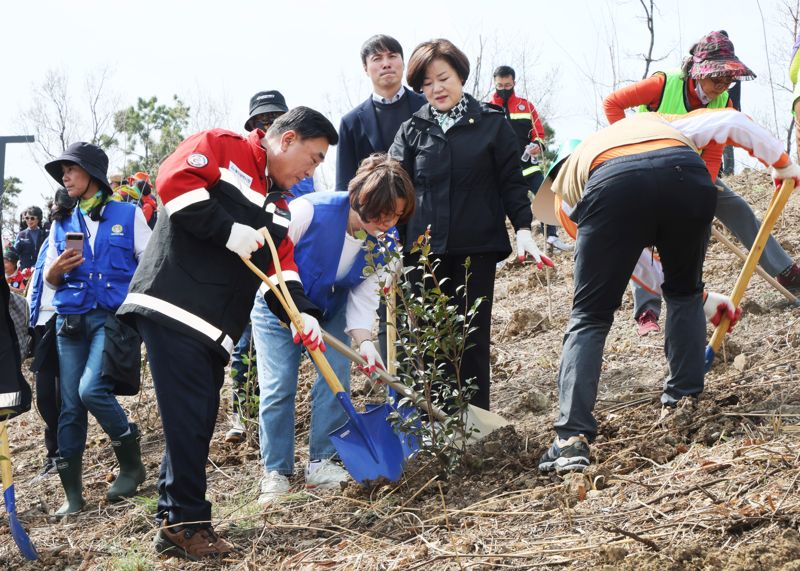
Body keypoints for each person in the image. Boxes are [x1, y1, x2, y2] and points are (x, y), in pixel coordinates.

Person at [117, 106, 338, 560]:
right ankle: (188, 523)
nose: (312, 170)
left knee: (194, 420)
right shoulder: (224, 148)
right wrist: (226, 230)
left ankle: (175, 522)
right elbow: (173, 182)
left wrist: (304, 313)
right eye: (313, 158)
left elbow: (282, 272)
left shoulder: (278, 210)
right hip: (174, 306)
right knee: (190, 420)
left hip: (213, 329)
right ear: (288, 139)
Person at [536, 108, 800, 474]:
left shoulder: (566, 193)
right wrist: (782, 163)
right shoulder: (662, 123)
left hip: (612, 188)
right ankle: (684, 404)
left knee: (589, 317)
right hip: (686, 176)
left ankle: (570, 442)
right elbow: (733, 122)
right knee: (685, 293)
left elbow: (631, 265)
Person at [603, 30, 800, 336]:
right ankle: (647, 310)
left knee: (736, 208)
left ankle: (787, 273)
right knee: (644, 234)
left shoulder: (723, 102)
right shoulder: (663, 84)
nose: (722, 87)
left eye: (728, 81)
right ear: (698, 71)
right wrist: (630, 145)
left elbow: (712, 156)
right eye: (716, 79)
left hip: (689, 172)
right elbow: (613, 103)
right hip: (644, 170)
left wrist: (700, 196)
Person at [389, 39, 551, 410]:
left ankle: (474, 422)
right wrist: (389, 247)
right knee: (426, 338)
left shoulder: (491, 124)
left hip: (474, 250)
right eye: (427, 84)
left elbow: (512, 182)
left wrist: (523, 229)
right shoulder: (412, 130)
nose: (437, 88)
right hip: (422, 253)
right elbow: (395, 191)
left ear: (460, 75)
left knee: (471, 337)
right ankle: (431, 423)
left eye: (443, 78)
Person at [255, 154, 414, 503]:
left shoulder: (385, 246)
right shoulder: (310, 210)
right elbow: (270, 260)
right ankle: (276, 471)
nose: (388, 223)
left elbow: (362, 298)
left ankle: (321, 462)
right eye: (383, 213)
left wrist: (365, 342)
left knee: (335, 380)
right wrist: (296, 311)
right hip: (279, 304)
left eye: (396, 216)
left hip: (330, 310)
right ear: (362, 197)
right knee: (279, 385)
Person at [42, 142, 152, 516]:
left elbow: (151, 266)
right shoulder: (60, 222)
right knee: (70, 407)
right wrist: (56, 270)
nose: (65, 177)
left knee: (91, 390)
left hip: (111, 320)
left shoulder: (128, 214)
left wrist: (139, 315)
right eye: (62, 173)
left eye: (70, 169)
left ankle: (131, 463)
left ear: (92, 174)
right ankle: (72, 496)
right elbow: (48, 281)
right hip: (69, 324)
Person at [224, 89, 318, 444]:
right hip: (245, 264)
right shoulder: (242, 168)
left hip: (284, 266)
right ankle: (241, 412)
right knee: (242, 345)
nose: (266, 126)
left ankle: (279, 413)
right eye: (260, 122)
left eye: (273, 119)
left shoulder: (302, 174)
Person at [338, 35, 426, 366]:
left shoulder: (423, 107)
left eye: (392, 56)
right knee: (386, 308)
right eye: (377, 59)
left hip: (422, 227)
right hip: (376, 234)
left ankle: (430, 386)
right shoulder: (352, 122)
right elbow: (345, 186)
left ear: (403, 63)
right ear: (366, 68)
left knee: (422, 306)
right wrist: (359, 235)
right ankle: (397, 390)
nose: (386, 63)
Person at [489, 65, 572, 253]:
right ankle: (500, 251)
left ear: (514, 83)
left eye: (507, 85)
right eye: (499, 86)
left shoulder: (525, 106)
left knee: (548, 195)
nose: (503, 90)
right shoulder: (488, 108)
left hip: (529, 167)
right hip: (502, 173)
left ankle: (551, 237)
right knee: (497, 210)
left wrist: (537, 145)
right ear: (494, 84)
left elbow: (539, 134)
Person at [27, 190, 70, 480]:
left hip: (64, 317)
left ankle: (62, 455)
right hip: (41, 323)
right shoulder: (48, 239)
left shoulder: (72, 233)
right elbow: (36, 283)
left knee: (61, 393)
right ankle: (53, 453)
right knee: (45, 395)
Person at [14, 205, 47, 270]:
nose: (29, 220)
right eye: (27, 218)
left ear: (38, 219)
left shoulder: (44, 234)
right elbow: (15, 254)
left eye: (32, 218)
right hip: (25, 272)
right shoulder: (21, 235)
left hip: (41, 270)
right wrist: (9, 246)